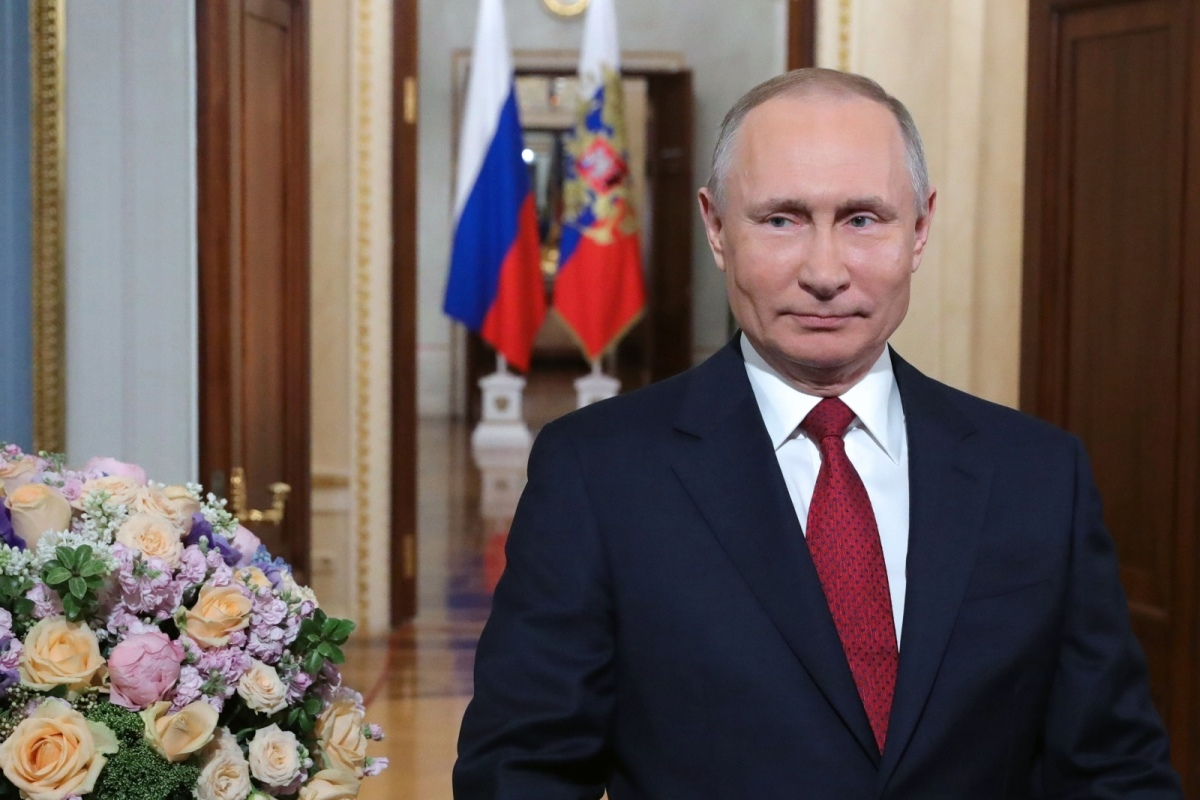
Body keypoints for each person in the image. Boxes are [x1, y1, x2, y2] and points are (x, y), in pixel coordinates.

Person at [453, 68, 1182, 798]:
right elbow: (520, 773)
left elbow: (1116, 770)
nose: (825, 272)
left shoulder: (1040, 475)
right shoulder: (597, 473)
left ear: (920, 229)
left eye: (863, 219)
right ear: (716, 227)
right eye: (782, 220)